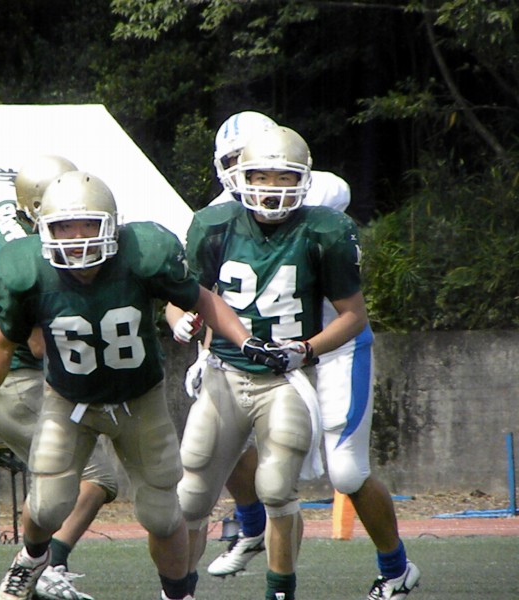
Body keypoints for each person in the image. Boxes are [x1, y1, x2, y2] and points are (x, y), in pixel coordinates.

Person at [0, 170, 275, 600]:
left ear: (112, 225)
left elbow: (201, 298)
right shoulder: (25, 269)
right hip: (68, 401)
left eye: (87, 224)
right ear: (44, 228)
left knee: (162, 515)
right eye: (65, 227)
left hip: (139, 400)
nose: (77, 238)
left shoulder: (144, 254)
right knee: (47, 505)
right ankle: (30, 559)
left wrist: (245, 340)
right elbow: (3, 342)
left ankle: (178, 594)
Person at [178, 113, 420, 599]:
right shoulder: (218, 218)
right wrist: (205, 351)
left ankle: (396, 568)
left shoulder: (318, 199)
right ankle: (250, 528)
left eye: (277, 172)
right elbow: (219, 299)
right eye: (236, 162)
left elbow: (331, 193)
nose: (263, 183)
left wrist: (280, 188)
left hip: (332, 344)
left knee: (347, 470)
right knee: (221, 446)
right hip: (260, 353)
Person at [0, 155, 118, 600]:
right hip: (17, 381)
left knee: (58, 482)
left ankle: (39, 565)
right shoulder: (29, 258)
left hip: (5, 381)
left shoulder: (3, 216)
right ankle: (46, 564)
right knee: (96, 478)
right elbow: (38, 343)